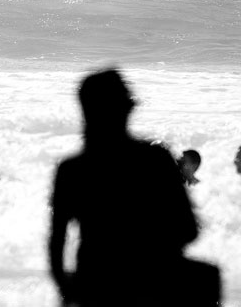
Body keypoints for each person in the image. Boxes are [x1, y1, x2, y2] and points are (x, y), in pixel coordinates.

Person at [48, 69, 220, 307]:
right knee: (207, 277)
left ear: (85, 111)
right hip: (153, 283)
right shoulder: (156, 159)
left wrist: (66, 287)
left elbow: (56, 244)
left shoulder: (70, 170)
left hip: (94, 282)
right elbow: (188, 230)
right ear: (127, 109)